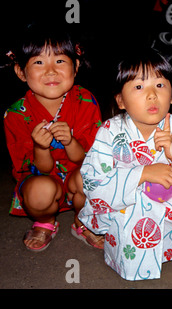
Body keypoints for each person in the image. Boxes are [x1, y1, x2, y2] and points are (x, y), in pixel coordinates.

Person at [78, 48, 172, 281]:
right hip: (126, 207)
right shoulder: (110, 132)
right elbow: (94, 180)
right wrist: (142, 174)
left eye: (160, 86)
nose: (151, 95)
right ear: (120, 100)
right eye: (139, 87)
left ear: (171, 96)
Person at [3, 26, 103, 252]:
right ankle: (46, 221)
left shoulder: (86, 101)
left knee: (92, 180)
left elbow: (89, 159)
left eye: (59, 61)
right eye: (38, 62)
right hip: (43, 177)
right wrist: (40, 146)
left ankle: (83, 220)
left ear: (75, 66)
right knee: (39, 192)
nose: (50, 71)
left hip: (78, 172)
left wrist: (70, 142)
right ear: (20, 71)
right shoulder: (16, 114)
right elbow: (42, 169)